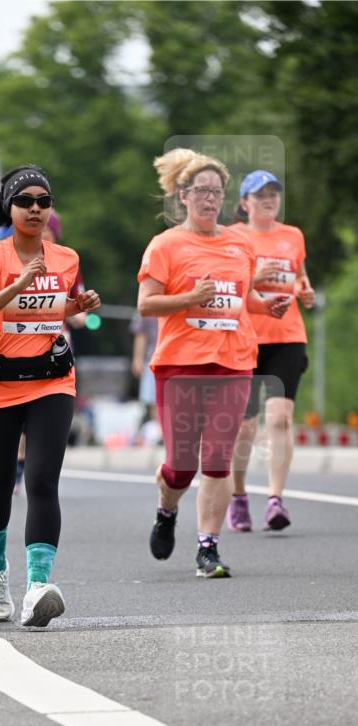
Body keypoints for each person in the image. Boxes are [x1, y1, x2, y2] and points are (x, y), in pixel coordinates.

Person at [0, 164, 101, 626]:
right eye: (25, 201)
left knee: (41, 480)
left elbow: (57, 309)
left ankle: (37, 586)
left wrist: (79, 307)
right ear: (9, 207)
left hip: (51, 381)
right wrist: (17, 285)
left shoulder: (66, 258)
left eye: (44, 200)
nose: (36, 208)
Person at [137, 148, 290, 578]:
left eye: (216, 191)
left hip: (234, 362)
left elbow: (240, 299)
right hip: (180, 365)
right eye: (201, 190)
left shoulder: (239, 243)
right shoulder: (165, 245)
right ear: (182, 196)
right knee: (182, 464)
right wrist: (189, 298)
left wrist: (266, 307)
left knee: (218, 459)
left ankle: (208, 547)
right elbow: (146, 304)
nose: (209, 198)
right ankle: (166, 512)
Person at [227, 171, 315, 531]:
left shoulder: (292, 235)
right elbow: (225, 284)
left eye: (274, 193)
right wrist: (255, 275)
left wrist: (305, 291)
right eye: (260, 194)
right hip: (245, 337)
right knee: (245, 428)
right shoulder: (232, 237)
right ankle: (238, 495)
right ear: (244, 202)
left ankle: (275, 500)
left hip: (287, 335)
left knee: (279, 418)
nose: (268, 199)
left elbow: (300, 277)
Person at [12, 209, 87, 494]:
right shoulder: (14, 258)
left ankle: (36, 472)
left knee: (47, 410)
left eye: (49, 232)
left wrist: (81, 312)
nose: (44, 236)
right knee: (21, 414)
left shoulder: (67, 261)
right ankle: (18, 468)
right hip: (21, 344)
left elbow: (77, 301)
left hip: (56, 346)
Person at [130, 308, 160, 443]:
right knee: (154, 400)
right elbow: (141, 334)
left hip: (174, 358)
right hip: (152, 358)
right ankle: (160, 431)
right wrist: (138, 359)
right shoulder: (147, 305)